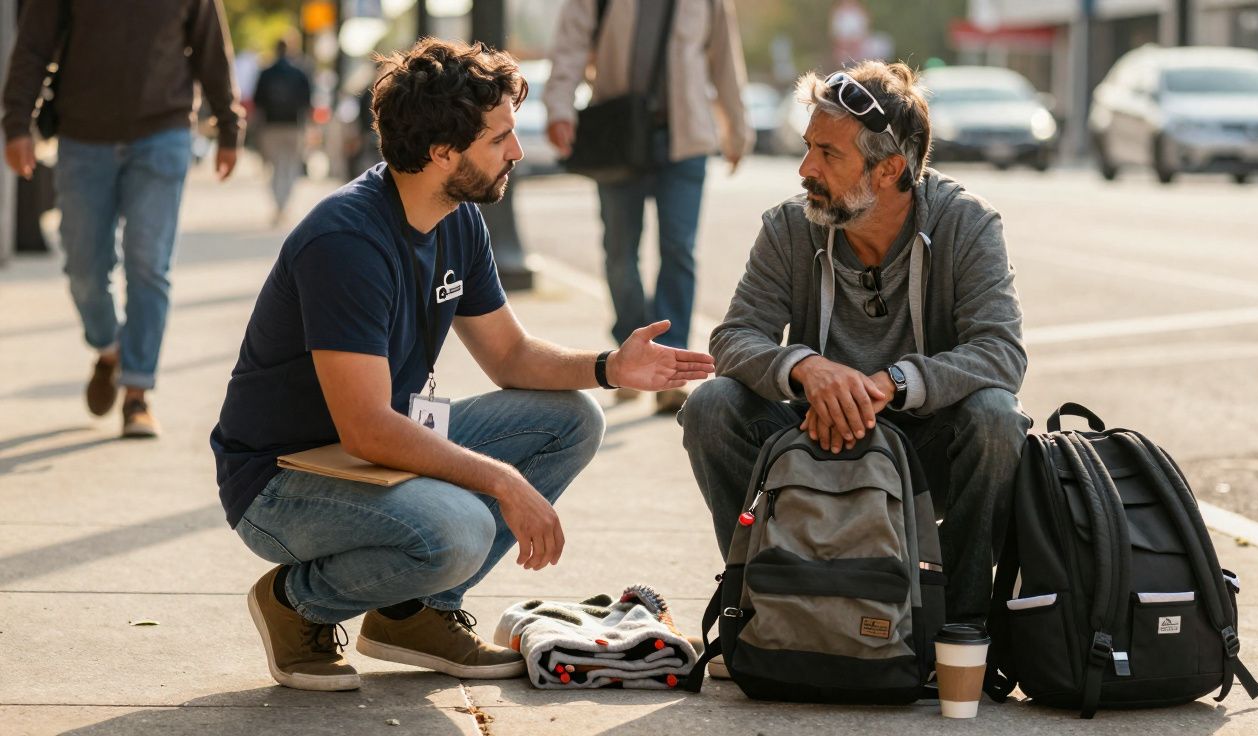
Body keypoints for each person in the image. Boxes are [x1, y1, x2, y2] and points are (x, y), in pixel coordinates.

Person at [210, 39, 714, 692]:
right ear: (443, 152)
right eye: (500, 137)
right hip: (279, 481)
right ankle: (295, 602)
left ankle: (415, 615)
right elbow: (365, 428)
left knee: (572, 419)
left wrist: (610, 367)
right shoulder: (346, 243)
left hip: (364, 455)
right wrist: (503, 483)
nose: (518, 151)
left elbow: (510, 355)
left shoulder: (458, 219)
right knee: (463, 530)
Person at [680, 60, 1030, 633]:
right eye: (808, 147)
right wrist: (808, 370)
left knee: (996, 417)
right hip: (812, 437)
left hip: (924, 447)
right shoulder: (789, 228)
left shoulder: (966, 224)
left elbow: (1001, 352)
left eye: (828, 154)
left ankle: (961, 625)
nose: (805, 168)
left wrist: (890, 384)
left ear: (890, 168)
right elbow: (734, 336)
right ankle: (760, 601)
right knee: (712, 406)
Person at [2, 0, 243, 438]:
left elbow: (210, 47)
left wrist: (228, 124)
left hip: (163, 133)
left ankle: (137, 391)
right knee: (84, 267)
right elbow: (34, 44)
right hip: (82, 137)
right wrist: (16, 122)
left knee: (149, 264)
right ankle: (108, 348)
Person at [544, 0, 752, 414]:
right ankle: (630, 351)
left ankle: (670, 369)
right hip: (620, 135)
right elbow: (569, 45)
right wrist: (559, 108)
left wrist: (737, 128)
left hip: (687, 140)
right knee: (620, 253)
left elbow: (725, 60)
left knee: (679, 249)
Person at [252, 38, 313, 225]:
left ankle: (278, 203)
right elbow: (307, 103)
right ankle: (283, 203)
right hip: (293, 126)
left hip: (270, 126)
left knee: (274, 167)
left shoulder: (265, 73)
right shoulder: (300, 73)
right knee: (290, 166)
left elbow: (257, 101)